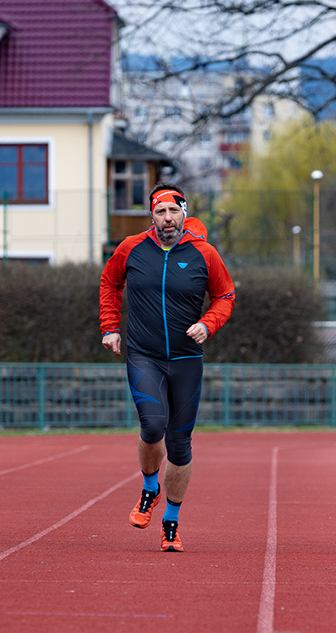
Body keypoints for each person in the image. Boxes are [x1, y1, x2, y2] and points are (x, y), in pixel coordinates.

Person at [100, 184, 235, 552]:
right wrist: (110, 327)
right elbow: (110, 281)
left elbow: (225, 295)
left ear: (183, 214)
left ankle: (171, 521)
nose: (167, 218)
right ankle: (148, 487)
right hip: (144, 355)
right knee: (152, 424)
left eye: (173, 211)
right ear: (152, 216)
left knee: (179, 445)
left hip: (186, 359)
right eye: (160, 212)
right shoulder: (130, 248)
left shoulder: (204, 254)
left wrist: (209, 323)